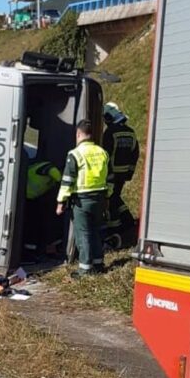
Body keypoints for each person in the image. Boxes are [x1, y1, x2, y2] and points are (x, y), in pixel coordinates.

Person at [56, 119, 109, 276]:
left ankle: (85, 270)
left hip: (82, 200)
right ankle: (99, 265)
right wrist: (108, 196)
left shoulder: (75, 154)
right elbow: (110, 176)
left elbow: (67, 181)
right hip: (100, 198)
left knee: (83, 233)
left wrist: (61, 202)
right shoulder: (102, 152)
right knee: (96, 231)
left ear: (79, 134)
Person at [101, 103, 140, 243]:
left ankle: (115, 228)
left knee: (111, 199)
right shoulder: (131, 132)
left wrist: (106, 174)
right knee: (116, 196)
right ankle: (128, 220)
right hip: (123, 173)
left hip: (111, 173)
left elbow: (106, 154)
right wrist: (130, 172)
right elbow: (135, 153)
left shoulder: (110, 133)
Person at [22, 155, 62, 255]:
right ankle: (28, 253)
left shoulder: (48, 173)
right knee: (31, 226)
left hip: (32, 198)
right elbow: (60, 179)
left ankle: (32, 251)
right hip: (25, 197)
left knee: (35, 225)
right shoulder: (50, 168)